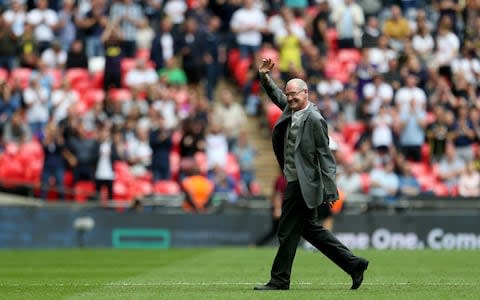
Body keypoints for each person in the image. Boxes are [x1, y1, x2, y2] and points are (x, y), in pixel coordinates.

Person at [254, 58, 368, 291]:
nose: (290, 98)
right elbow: (276, 94)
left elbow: (325, 155)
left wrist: (330, 188)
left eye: (295, 94)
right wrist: (265, 76)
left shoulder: (315, 119)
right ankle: (354, 264)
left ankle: (280, 280)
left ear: (306, 93)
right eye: (288, 95)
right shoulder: (290, 106)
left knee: (286, 231)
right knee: (311, 230)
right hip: (296, 180)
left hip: (304, 183)